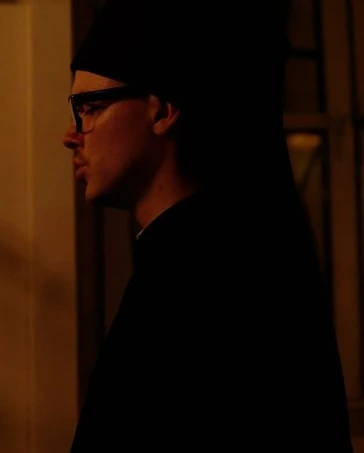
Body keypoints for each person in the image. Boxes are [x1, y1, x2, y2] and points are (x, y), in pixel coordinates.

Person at [63, 1, 353, 451]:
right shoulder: (210, 264)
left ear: (163, 112)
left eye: (90, 106)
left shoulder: (207, 289)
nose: (72, 134)